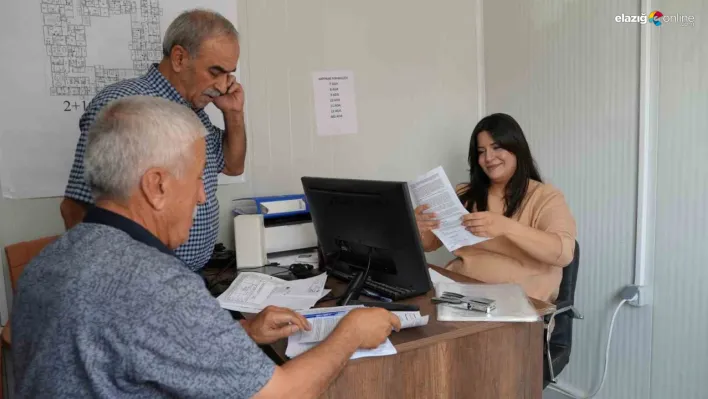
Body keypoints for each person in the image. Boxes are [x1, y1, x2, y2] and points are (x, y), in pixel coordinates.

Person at [12, 96, 400, 399]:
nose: (201, 196)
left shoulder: (51, 260)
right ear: (157, 185)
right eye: (198, 177)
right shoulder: (156, 284)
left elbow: (123, 352)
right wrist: (350, 333)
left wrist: (244, 332)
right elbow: (281, 393)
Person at [61, 9, 246, 271]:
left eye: (229, 74)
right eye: (215, 72)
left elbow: (232, 165)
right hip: (140, 287)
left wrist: (234, 113)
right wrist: (108, 281)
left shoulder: (197, 113)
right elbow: (74, 207)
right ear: (179, 58)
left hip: (186, 278)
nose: (223, 84)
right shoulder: (122, 105)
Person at [415, 113, 576, 302]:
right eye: (481, 151)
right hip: (457, 293)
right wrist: (419, 227)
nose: (488, 157)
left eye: (496, 147)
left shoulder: (546, 197)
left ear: (516, 148)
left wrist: (506, 227)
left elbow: (564, 253)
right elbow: (430, 244)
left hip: (515, 304)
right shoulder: (466, 194)